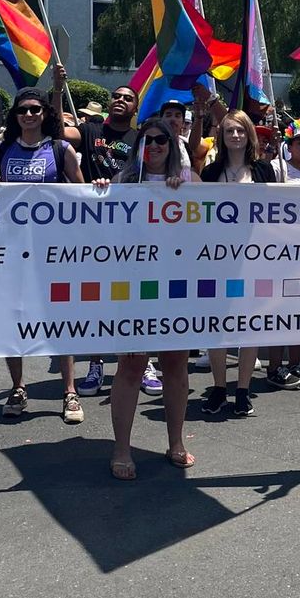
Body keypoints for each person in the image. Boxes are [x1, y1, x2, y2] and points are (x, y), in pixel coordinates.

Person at [0, 87, 86, 425]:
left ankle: (69, 390)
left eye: (35, 110)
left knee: (60, 319)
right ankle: (17, 387)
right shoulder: (4, 149)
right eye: (23, 110)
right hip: (11, 250)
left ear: (44, 114)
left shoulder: (60, 148)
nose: (28, 115)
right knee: (13, 321)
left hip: (53, 252)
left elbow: (81, 194)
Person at [107, 118, 197, 477]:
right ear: (139, 147)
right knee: (131, 366)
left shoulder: (189, 183)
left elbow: (219, 215)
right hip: (133, 289)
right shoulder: (122, 184)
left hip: (176, 288)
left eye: (163, 140)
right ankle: (121, 448)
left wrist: (186, 191)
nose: (155, 146)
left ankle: (176, 442)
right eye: (148, 141)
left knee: (176, 365)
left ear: (172, 147)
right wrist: (100, 189)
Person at [64, 73, 138, 397]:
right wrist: (56, 89)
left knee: (130, 297)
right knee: (95, 298)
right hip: (93, 228)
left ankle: (137, 362)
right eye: (116, 96)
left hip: (130, 228)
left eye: (127, 97)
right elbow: (55, 132)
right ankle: (95, 365)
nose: (120, 100)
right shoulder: (90, 129)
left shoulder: (141, 138)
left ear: (135, 107)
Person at [201, 111, 276, 415]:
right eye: (229, 131)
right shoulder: (210, 173)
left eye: (240, 131)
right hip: (217, 258)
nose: (235, 136)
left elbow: (281, 208)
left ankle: (243, 390)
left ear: (249, 136)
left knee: (250, 326)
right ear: (221, 136)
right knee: (216, 325)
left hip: (255, 258)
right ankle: (219, 388)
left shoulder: (264, 170)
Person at [266, 121, 300, 388]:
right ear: (289, 146)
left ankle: (295, 363)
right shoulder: (279, 169)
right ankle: (274, 367)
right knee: (279, 313)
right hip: (278, 253)